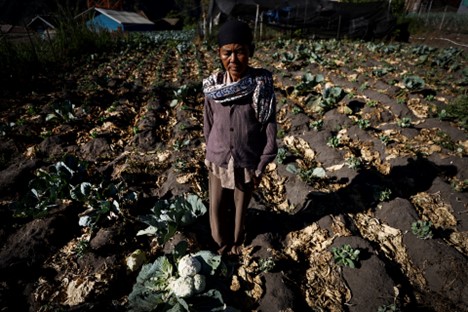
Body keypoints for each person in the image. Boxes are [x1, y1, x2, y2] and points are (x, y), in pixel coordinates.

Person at [202, 20, 278, 256]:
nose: (233, 59)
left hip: (247, 158)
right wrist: (213, 150)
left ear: (250, 52)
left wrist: (262, 164)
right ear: (220, 54)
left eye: (240, 52)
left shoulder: (261, 85)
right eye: (227, 53)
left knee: (240, 206)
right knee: (216, 207)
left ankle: (236, 243)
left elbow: (269, 127)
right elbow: (208, 123)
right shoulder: (212, 87)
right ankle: (220, 245)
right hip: (218, 157)